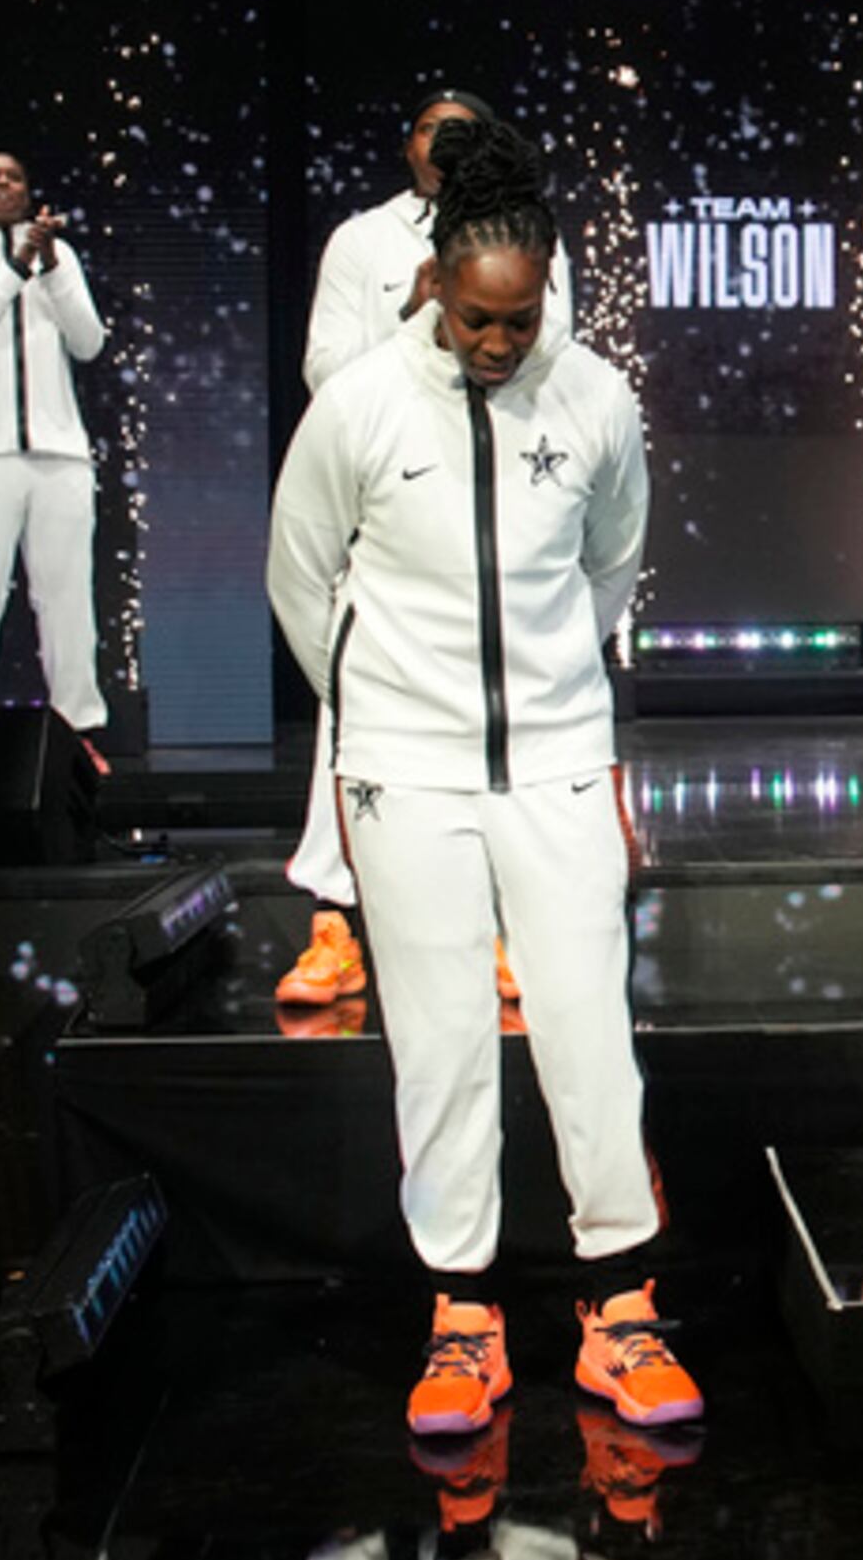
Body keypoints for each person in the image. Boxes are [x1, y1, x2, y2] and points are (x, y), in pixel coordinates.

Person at [266, 113, 695, 1439]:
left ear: (548, 284)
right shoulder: (362, 403)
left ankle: (618, 1313)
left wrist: (560, 690)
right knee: (444, 1046)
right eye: (478, 318)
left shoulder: (597, 396)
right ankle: (464, 1321)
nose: (499, 344)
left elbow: (613, 565)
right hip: (407, 772)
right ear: (439, 283)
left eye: (521, 320)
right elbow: (300, 576)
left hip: (560, 762)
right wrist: (382, 710)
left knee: (587, 1035)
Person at [279, 89, 580, 1005]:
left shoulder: (528, 234)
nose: (443, 141)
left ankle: (497, 927)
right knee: (354, 711)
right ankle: (336, 923)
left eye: (463, 128)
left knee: (496, 724)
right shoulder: (361, 240)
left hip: (493, 496)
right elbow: (324, 369)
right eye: (427, 126)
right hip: (393, 497)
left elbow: (553, 341)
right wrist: (417, 318)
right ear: (405, 144)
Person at [0, 152, 112, 739]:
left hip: (60, 452)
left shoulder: (61, 257)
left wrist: (52, 266)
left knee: (68, 605)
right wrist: (16, 266)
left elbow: (88, 343)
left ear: (29, 191)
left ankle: (80, 732)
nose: (3, 184)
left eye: (14, 177)